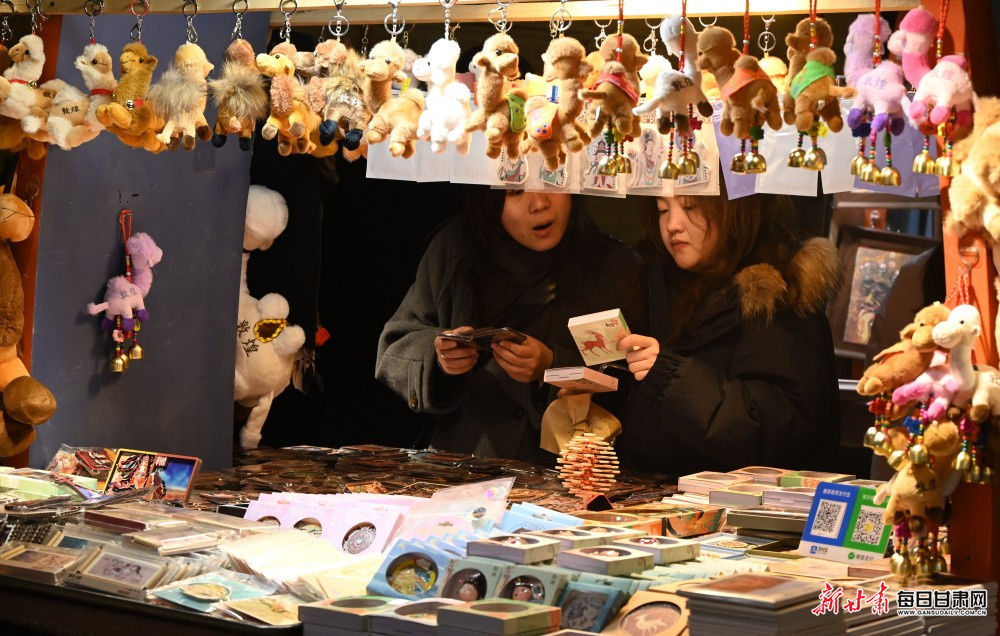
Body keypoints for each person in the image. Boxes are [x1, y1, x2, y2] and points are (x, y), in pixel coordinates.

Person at [376, 185, 646, 464]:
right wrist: (440, 357)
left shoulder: (616, 267)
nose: (539, 203)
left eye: (552, 182)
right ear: (488, 201)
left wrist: (551, 365)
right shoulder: (456, 248)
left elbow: (631, 386)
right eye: (516, 191)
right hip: (461, 467)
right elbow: (395, 343)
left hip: (565, 472)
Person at [616, 185, 841, 475]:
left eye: (691, 206)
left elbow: (781, 428)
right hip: (657, 492)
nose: (672, 224)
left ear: (735, 210)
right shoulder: (655, 285)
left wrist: (669, 375)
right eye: (662, 209)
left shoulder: (777, 296)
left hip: (742, 500)